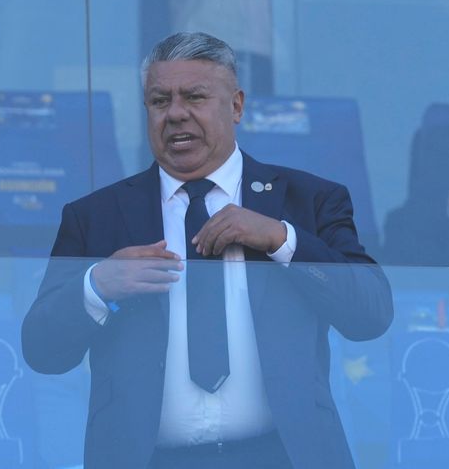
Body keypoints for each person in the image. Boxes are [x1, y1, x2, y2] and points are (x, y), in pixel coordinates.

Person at [21, 32, 393, 469]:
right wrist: (97, 286)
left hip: (283, 456)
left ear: (236, 105)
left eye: (194, 97)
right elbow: (42, 352)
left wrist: (282, 240)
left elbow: (370, 314)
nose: (176, 114)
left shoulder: (307, 201)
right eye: (160, 101)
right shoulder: (96, 216)